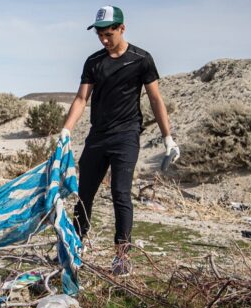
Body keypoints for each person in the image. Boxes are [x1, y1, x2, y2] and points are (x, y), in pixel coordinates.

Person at [60, 5, 180, 276]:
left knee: (120, 192)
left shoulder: (141, 59)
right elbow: (81, 99)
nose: (104, 39)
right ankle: (77, 246)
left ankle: (122, 256)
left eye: (109, 33)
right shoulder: (93, 62)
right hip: (97, 136)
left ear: (122, 28)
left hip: (126, 135)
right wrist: (66, 130)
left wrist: (168, 138)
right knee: (84, 193)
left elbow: (155, 99)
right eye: (99, 34)